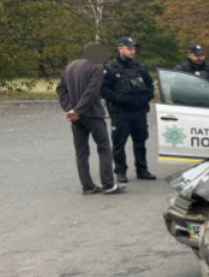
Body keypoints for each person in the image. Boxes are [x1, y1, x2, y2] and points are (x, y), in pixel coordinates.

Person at [57, 43, 125, 195]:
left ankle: (87, 186)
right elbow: (92, 91)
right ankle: (108, 185)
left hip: (76, 118)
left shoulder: (70, 67)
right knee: (104, 148)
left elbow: (60, 89)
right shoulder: (96, 67)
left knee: (81, 152)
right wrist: (78, 110)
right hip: (92, 114)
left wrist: (69, 109)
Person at [102, 37, 156, 183]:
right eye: (129, 48)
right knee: (119, 143)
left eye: (134, 48)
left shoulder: (139, 67)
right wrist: (119, 99)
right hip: (121, 112)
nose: (132, 51)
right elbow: (104, 90)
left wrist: (146, 98)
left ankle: (142, 169)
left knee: (140, 142)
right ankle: (120, 171)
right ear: (120, 49)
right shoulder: (111, 68)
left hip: (139, 111)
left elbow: (150, 85)